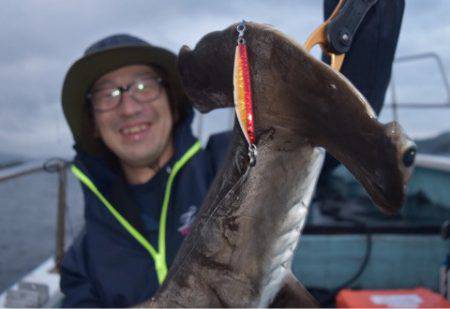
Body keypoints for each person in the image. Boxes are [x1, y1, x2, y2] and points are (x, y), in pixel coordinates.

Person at [59, 34, 229, 307]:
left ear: (172, 104)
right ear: (93, 124)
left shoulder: (236, 168)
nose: (128, 108)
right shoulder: (82, 263)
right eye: (107, 94)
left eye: (144, 86)